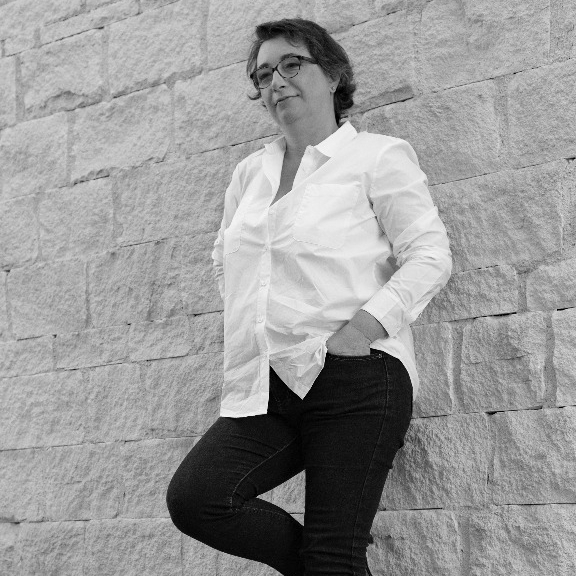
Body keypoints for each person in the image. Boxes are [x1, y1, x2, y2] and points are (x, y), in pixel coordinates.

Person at [167, 18, 452, 576]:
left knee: (332, 553)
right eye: (263, 73)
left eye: (292, 64)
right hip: (268, 383)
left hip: (355, 376)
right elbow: (227, 261)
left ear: (334, 74)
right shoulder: (250, 175)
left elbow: (430, 254)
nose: (276, 81)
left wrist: (359, 332)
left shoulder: (376, 156)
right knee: (199, 499)